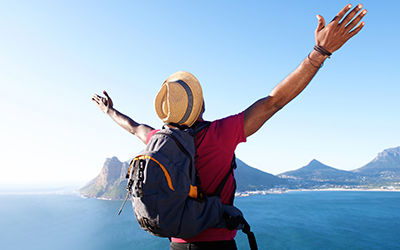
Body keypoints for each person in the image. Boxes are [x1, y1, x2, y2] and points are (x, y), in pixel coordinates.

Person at [92, 4, 366, 250]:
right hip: (218, 246)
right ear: (200, 107)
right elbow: (273, 102)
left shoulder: (157, 139)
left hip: (177, 245)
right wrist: (319, 52)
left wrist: (108, 110)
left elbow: (132, 126)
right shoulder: (220, 135)